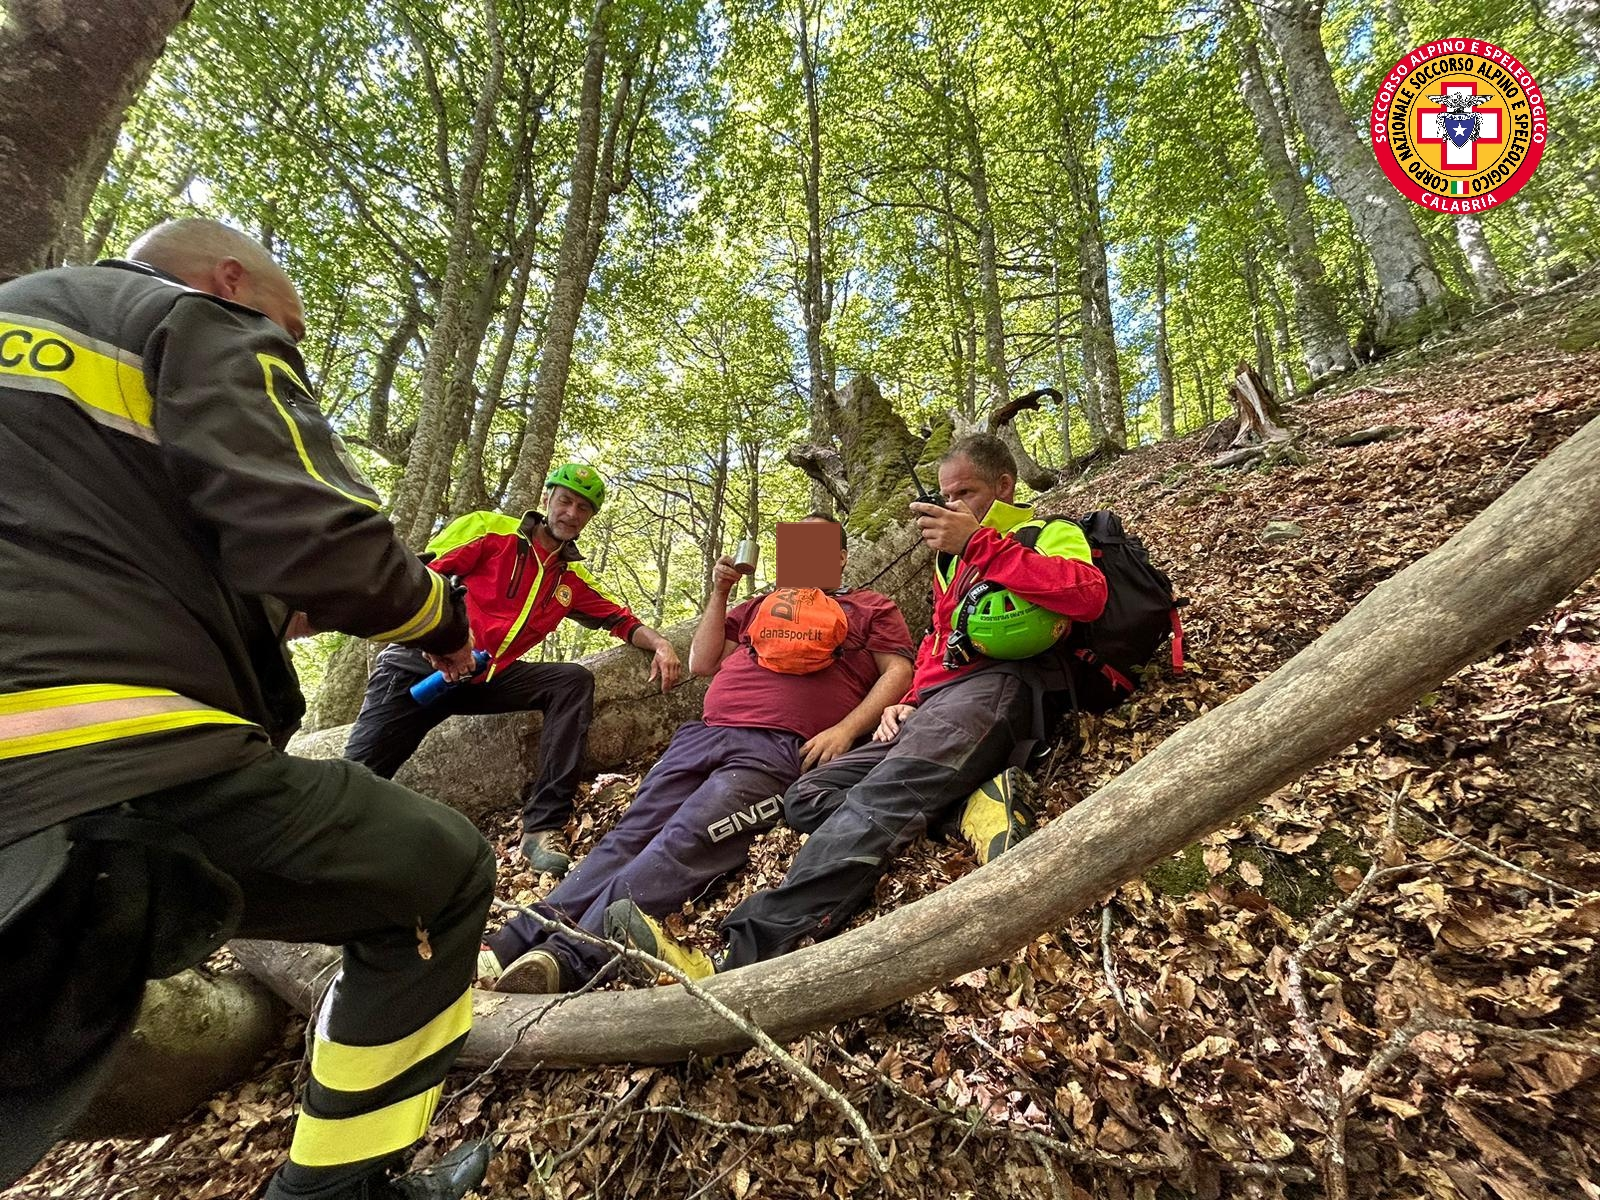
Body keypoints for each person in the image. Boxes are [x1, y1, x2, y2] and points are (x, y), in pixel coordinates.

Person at [0, 219, 495, 1200]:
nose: (293, 348)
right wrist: (441, 621)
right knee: (437, 875)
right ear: (231, 280)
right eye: (292, 328)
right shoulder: (184, 318)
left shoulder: (29, 326)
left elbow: (90, 544)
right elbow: (322, 539)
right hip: (103, 753)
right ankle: (337, 1189)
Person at [604, 434, 1107, 980]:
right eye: (945, 495)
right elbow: (940, 642)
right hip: (935, 704)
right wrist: (909, 700)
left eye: (965, 492)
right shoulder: (949, 561)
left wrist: (981, 542)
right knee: (805, 797)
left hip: (999, 686)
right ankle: (970, 805)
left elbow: (1088, 593)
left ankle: (742, 961)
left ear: (1004, 487)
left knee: (878, 802)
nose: (951, 505)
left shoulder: (1044, 532)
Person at [478, 515, 915, 993]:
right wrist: (721, 592)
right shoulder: (758, 607)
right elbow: (702, 663)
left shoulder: (869, 606)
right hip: (702, 736)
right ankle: (510, 946)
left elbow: (897, 671)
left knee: (684, 840)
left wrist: (845, 730)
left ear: (840, 558)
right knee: (628, 836)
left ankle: (567, 957)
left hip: (777, 749)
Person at [343, 465, 683, 875]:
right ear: (546, 499)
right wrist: (439, 644)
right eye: (565, 501)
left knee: (571, 681)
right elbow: (419, 580)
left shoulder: (569, 579)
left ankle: (543, 827)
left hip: (483, 678)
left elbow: (621, 620)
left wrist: (662, 644)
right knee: (354, 780)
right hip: (417, 669)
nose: (571, 513)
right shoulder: (490, 530)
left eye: (583, 508)